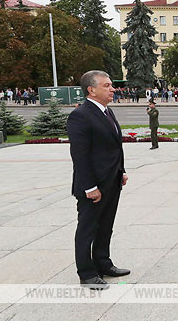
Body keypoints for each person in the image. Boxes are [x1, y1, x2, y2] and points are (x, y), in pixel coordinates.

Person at [66, 70, 130, 289]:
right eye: (107, 85)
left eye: (111, 85)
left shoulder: (107, 112)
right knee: (88, 229)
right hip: (93, 187)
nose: (113, 89)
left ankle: (103, 263)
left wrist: (120, 171)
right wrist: (90, 187)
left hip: (111, 182)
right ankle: (86, 273)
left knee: (106, 226)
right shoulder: (80, 115)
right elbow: (80, 156)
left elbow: (113, 147)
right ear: (91, 90)